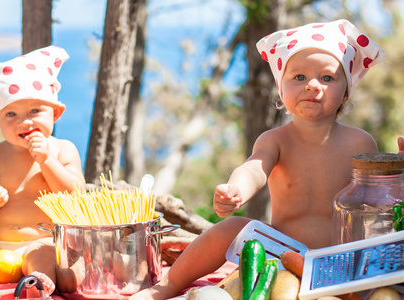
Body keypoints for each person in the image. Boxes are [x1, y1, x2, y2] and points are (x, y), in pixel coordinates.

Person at [130, 19, 388, 300]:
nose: (312, 85)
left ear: (346, 91)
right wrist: (236, 189)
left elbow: (381, 194)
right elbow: (255, 167)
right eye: (299, 77)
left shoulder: (359, 142)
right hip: (281, 253)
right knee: (230, 228)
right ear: (281, 88)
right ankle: (167, 285)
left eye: (327, 78)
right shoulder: (276, 139)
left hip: (341, 262)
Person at [0, 45, 86, 296]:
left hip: (42, 243)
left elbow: (76, 197)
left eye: (35, 111)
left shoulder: (62, 150)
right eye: (11, 114)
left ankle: (37, 285)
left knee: (44, 258)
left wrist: (48, 161)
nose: (24, 121)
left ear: (56, 113)